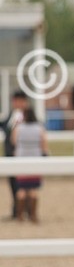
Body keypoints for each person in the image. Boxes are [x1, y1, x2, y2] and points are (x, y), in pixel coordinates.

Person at [11, 106, 47, 223]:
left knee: (21, 189)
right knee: (33, 190)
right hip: (35, 158)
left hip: (21, 158)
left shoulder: (19, 128)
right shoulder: (39, 128)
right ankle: (33, 215)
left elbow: (14, 141)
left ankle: (20, 215)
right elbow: (43, 144)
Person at [2, 90, 29, 219]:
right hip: (9, 155)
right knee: (12, 184)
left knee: (25, 184)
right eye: (15, 101)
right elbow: (5, 127)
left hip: (23, 155)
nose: (17, 103)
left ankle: (27, 210)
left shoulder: (29, 117)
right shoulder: (10, 117)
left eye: (19, 101)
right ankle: (15, 210)